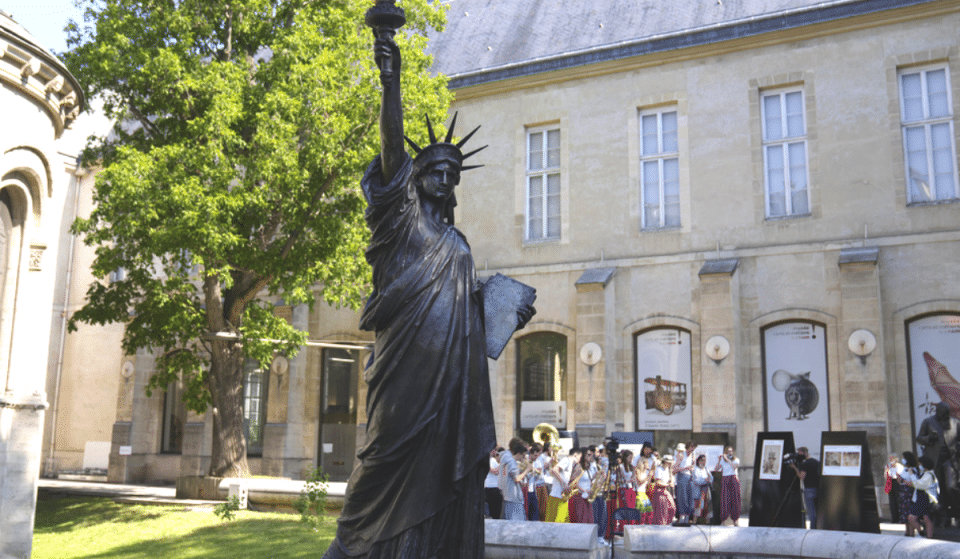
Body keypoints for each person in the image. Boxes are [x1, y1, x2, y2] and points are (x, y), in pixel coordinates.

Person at [322, 32, 535, 559]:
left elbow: (464, 308)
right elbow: (392, 150)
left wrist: (503, 312)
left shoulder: (457, 242)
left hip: (454, 381)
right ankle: (353, 549)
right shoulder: (402, 222)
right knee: (383, 461)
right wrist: (389, 82)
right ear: (416, 179)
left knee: (447, 474)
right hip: (407, 371)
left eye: (452, 172)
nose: (444, 176)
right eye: (435, 170)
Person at [916, 402, 959, 525]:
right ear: (938, 412)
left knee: (951, 487)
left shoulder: (955, 423)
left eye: (947, 414)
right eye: (944, 414)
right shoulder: (928, 422)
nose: (946, 416)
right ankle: (944, 516)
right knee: (939, 491)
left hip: (950, 460)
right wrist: (929, 438)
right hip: (934, 462)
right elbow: (919, 438)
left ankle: (957, 512)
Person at [905, 455, 939, 538]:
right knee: (927, 519)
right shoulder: (926, 473)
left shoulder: (928, 475)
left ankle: (922, 532)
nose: (919, 465)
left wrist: (911, 474)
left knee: (911, 518)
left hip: (924, 499)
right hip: (924, 498)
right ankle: (928, 537)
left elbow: (918, 484)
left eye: (920, 463)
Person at [499, 438, 529, 521]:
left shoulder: (506, 457)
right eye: (523, 456)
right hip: (513, 497)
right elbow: (516, 478)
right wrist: (527, 470)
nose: (523, 459)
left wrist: (521, 483)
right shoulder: (511, 460)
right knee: (517, 525)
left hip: (508, 495)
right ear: (518, 453)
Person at [793, 447, 820, 529]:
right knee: (817, 511)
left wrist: (795, 468)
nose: (798, 455)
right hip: (817, 488)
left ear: (804, 453)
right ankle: (817, 527)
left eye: (799, 453)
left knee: (811, 512)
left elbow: (802, 477)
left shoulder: (805, 464)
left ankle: (812, 528)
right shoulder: (817, 462)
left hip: (809, 489)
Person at [714, 446, 741, 525]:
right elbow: (716, 469)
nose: (730, 452)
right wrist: (719, 461)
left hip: (733, 478)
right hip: (725, 478)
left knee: (735, 499)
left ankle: (735, 519)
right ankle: (724, 519)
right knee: (725, 499)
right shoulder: (722, 460)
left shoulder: (736, 459)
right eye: (728, 451)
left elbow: (734, 467)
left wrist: (728, 460)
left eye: (731, 451)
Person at [672, 442, 697, 525]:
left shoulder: (693, 456)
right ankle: (682, 516)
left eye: (694, 447)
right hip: (682, 476)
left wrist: (692, 467)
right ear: (687, 447)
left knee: (690, 497)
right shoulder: (681, 455)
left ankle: (687, 516)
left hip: (690, 477)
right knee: (682, 496)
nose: (692, 449)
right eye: (691, 447)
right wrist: (686, 468)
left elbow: (692, 467)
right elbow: (674, 469)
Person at [651, 454, 676, 525]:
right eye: (668, 462)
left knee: (671, 507)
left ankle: (667, 522)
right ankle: (661, 524)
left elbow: (670, 480)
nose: (669, 464)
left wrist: (671, 472)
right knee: (661, 510)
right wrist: (668, 485)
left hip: (665, 490)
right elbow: (658, 482)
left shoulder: (667, 469)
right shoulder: (659, 469)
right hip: (659, 491)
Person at [899, 451, 920, 529]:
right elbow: (900, 481)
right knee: (904, 513)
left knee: (909, 513)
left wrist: (904, 481)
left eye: (903, 458)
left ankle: (912, 532)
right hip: (903, 492)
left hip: (909, 492)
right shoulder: (904, 469)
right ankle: (907, 531)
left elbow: (913, 483)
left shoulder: (913, 469)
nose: (902, 459)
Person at [691, 454, 713, 525]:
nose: (703, 462)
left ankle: (707, 522)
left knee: (708, 506)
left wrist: (709, 479)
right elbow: (696, 480)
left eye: (705, 460)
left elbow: (711, 478)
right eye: (702, 460)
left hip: (707, 490)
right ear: (698, 461)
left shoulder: (706, 469)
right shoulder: (695, 469)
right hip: (699, 490)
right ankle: (694, 521)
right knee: (698, 506)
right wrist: (705, 480)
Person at [484, 446, 503, 519]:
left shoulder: (493, 460)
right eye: (494, 450)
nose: (495, 452)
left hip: (494, 487)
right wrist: (502, 463)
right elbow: (495, 471)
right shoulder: (489, 460)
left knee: (496, 510)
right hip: (492, 488)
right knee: (495, 511)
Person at [884, 453, 904, 523]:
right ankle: (894, 519)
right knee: (892, 501)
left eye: (892, 458)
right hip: (890, 482)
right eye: (890, 458)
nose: (891, 459)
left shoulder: (900, 466)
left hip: (897, 483)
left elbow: (900, 476)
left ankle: (900, 518)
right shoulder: (888, 466)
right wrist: (886, 471)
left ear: (896, 459)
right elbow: (886, 477)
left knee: (898, 500)